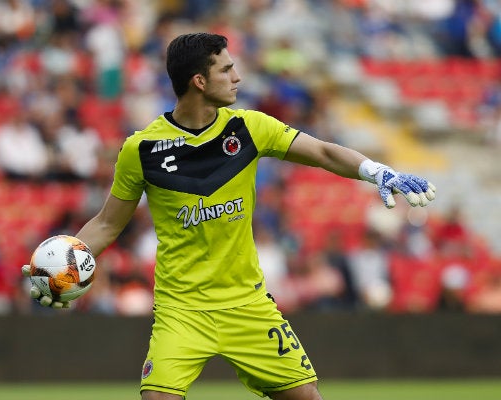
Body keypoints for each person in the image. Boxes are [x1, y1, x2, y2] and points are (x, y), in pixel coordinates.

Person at [22, 33, 436, 400]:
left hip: (248, 304)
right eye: (227, 69)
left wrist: (379, 172)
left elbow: (325, 151)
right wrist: (63, 267)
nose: (237, 77)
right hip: (181, 309)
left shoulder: (250, 127)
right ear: (199, 81)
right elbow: (108, 223)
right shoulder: (141, 149)